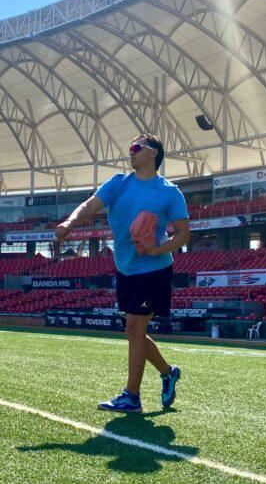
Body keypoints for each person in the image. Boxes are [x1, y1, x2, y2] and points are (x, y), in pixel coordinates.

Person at [55, 134, 190, 413]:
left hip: (154, 269)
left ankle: (132, 397)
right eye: (130, 148)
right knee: (133, 331)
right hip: (126, 267)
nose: (131, 152)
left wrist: (157, 249)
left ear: (153, 154)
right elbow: (91, 205)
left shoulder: (169, 192)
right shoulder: (118, 183)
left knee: (136, 328)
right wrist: (70, 222)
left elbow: (183, 233)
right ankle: (168, 372)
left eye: (136, 148)